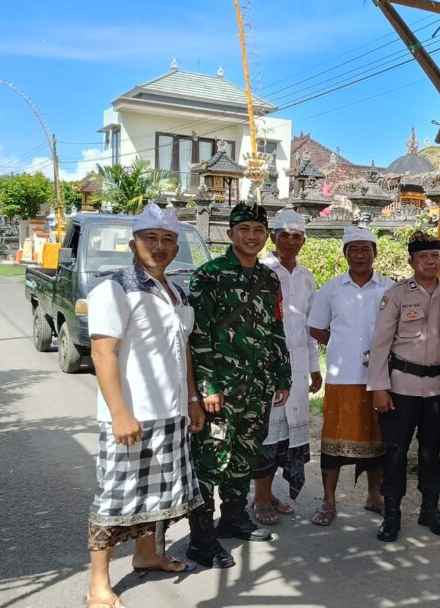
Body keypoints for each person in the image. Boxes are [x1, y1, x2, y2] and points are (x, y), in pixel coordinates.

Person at [86, 204, 204, 608]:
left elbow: (184, 351)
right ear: (133, 243)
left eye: (168, 239)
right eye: (150, 238)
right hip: (131, 415)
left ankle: (147, 554)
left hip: (171, 412)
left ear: (176, 247)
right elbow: (102, 353)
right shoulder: (115, 289)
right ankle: (99, 584)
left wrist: (192, 399)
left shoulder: (176, 292)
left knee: (159, 494)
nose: (159, 246)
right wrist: (120, 412)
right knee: (115, 496)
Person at [187, 202, 291, 569]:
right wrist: (207, 386)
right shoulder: (209, 276)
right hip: (221, 390)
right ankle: (201, 539)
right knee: (210, 460)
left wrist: (282, 375)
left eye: (259, 230)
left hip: (257, 387)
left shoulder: (269, 279)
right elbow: (197, 336)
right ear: (230, 233)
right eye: (244, 229)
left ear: (266, 236)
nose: (252, 236)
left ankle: (233, 518)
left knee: (244, 456)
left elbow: (275, 328)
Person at [367, 230, 440, 542]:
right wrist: (379, 388)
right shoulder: (396, 295)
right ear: (411, 261)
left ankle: (429, 509)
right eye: (423, 257)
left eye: (435, 256)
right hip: (401, 388)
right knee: (395, 451)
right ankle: (392, 513)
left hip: (437, 389)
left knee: (431, 451)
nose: (430, 261)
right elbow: (380, 344)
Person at [308, 225, 394, 526]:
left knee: (377, 442)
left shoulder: (390, 288)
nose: (360, 255)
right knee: (333, 444)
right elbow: (316, 326)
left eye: (365, 249)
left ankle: (374, 497)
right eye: (353, 250)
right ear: (345, 254)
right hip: (341, 377)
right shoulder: (331, 289)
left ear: (375, 253)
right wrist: (339, 342)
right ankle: (328, 501)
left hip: (379, 379)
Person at [251, 210, 322, 525]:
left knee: (287, 438)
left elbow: (309, 327)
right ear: (273, 238)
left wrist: (314, 367)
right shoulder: (261, 271)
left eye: (297, 237)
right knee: (268, 432)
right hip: (267, 367)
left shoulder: (307, 278)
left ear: (303, 241)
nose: (290, 242)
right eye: (284, 236)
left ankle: (267, 493)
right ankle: (261, 496)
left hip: (298, 367)